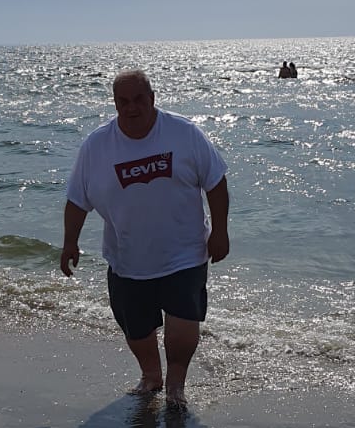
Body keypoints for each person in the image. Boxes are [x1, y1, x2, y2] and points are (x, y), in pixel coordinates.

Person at [59, 69, 229, 409]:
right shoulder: (97, 145)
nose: (131, 108)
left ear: (152, 99)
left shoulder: (184, 133)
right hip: (127, 258)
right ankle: (152, 376)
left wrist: (221, 232)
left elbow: (216, 182)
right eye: (123, 102)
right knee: (136, 330)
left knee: (183, 327)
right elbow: (77, 199)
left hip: (184, 253)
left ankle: (176, 386)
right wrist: (69, 243)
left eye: (139, 100)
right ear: (114, 104)